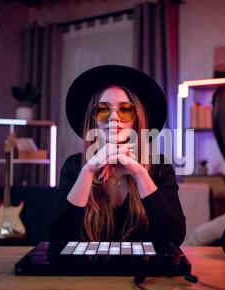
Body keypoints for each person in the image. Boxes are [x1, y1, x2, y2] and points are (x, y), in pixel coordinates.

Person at [50, 65, 186, 245]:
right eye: (103, 109)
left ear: (137, 119)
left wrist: (139, 173)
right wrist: (88, 171)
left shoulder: (160, 167)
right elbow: (57, 238)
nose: (114, 117)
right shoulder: (74, 166)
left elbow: (174, 239)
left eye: (125, 109)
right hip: (86, 272)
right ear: (94, 120)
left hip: (146, 272)